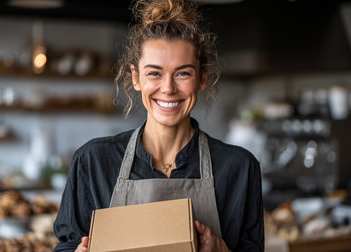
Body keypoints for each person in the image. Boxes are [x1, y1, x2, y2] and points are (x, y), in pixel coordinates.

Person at [53, 0, 264, 251]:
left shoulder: (238, 168)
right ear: (136, 78)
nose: (168, 88)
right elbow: (67, 245)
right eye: (154, 73)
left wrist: (222, 250)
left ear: (202, 79)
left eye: (183, 73)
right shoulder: (93, 161)